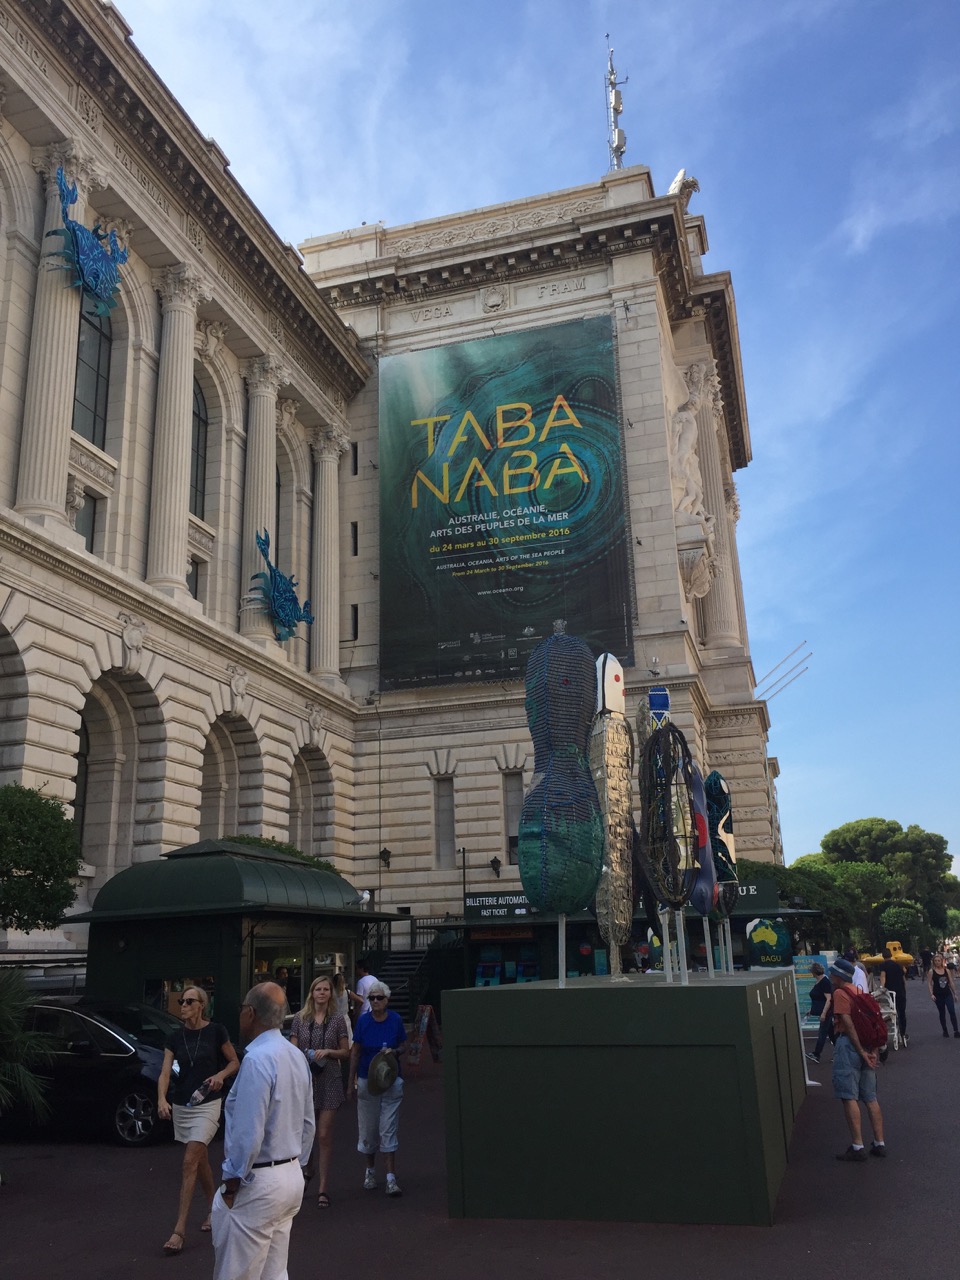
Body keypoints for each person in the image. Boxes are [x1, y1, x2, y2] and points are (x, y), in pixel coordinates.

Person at [212, 982, 315, 1280]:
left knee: (236, 1273)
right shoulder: (295, 1055)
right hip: (290, 1174)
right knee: (275, 1272)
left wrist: (231, 1184)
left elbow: (248, 1133)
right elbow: (308, 1122)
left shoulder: (257, 1059)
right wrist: (299, 1166)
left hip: (258, 1180)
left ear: (251, 1013)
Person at [157, 986, 239, 1256]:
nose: (183, 1005)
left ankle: (179, 1230)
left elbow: (234, 1062)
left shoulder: (216, 1031)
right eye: (182, 1001)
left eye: (189, 1001)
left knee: (189, 1161)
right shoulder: (174, 1037)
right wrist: (161, 1099)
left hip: (208, 1102)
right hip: (184, 1104)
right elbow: (165, 1072)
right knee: (200, 1159)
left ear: (201, 1005)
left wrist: (220, 1076)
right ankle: (215, 1208)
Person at [290, 976, 350, 1208]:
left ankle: (323, 1187)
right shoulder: (300, 1018)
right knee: (306, 1132)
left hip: (329, 1079)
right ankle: (308, 1170)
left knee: (323, 1134)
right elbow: (292, 1048)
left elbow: (345, 1051)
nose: (322, 993)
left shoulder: (337, 1019)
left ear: (331, 994)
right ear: (312, 992)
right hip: (305, 1079)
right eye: (318, 989)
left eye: (326, 989)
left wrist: (328, 1052)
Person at [347, 980, 407, 1196]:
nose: (375, 1001)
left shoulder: (396, 1020)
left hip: (390, 1078)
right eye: (371, 998)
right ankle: (370, 1171)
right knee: (368, 1128)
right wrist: (351, 1082)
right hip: (367, 1079)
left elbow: (403, 1044)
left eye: (379, 998)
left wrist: (396, 1052)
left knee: (388, 1127)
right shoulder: (363, 1021)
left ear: (387, 1000)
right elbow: (355, 1052)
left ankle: (391, 1176)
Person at [829, 957, 886, 1162]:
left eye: (832, 973)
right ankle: (879, 1143)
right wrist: (872, 1051)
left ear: (838, 976)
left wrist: (860, 1051)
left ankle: (857, 1145)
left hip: (849, 1047)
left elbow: (848, 1023)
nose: (830, 976)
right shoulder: (861, 992)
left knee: (849, 1096)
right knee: (870, 1097)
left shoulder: (840, 993)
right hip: (869, 1047)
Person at [879, 947, 908, 1046]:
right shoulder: (898, 965)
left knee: (890, 1012)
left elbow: (883, 976)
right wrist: (904, 990)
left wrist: (881, 988)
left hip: (890, 993)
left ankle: (892, 1030)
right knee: (902, 1013)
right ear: (891, 955)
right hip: (900, 991)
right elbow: (903, 979)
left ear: (883, 956)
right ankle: (903, 1033)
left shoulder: (883, 965)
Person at [805, 962, 834, 1063]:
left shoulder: (824, 982)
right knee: (831, 1034)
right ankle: (840, 1054)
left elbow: (828, 999)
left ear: (814, 972)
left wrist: (824, 1013)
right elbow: (819, 998)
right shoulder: (820, 981)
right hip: (823, 1011)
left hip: (826, 1012)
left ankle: (816, 1054)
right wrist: (812, 1010)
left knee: (822, 1033)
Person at [927, 952, 960, 1038]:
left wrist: (955, 993)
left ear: (942, 961)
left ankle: (956, 1031)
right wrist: (931, 994)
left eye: (939, 960)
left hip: (947, 994)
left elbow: (951, 982)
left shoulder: (946, 971)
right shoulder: (932, 971)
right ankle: (945, 1030)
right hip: (938, 995)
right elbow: (929, 983)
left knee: (952, 1011)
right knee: (942, 1013)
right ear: (933, 962)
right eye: (935, 961)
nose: (937, 962)